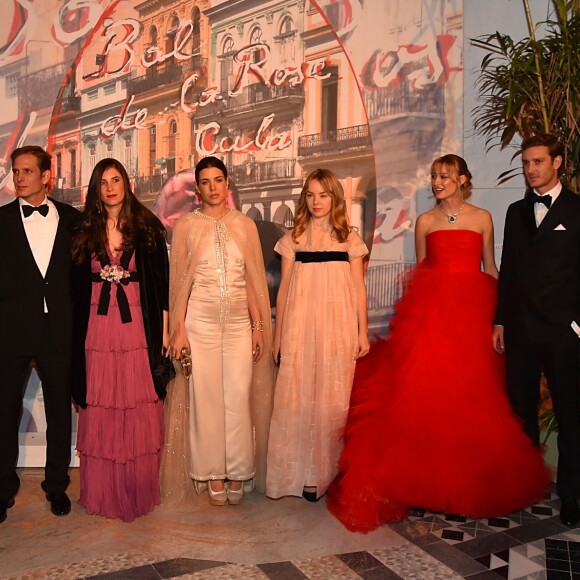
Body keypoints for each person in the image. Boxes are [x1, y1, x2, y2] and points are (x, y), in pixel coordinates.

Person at [327, 154, 551, 532]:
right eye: (433, 176)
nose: (436, 182)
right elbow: (423, 269)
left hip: (474, 312)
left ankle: (471, 482)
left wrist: (500, 317)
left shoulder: (482, 218)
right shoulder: (426, 221)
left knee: (472, 396)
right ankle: (423, 483)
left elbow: (490, 268)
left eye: (444, 176)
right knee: (427, 395)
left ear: (463, 179)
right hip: (431, 315)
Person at [162, 156, 274, 506]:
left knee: (237, 397)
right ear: (198, 189)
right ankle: (211, 472)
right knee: (206, 398)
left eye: (218, 180)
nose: (213, 187)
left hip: (240, 324)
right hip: (200, 324)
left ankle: (238, 471)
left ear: (228, 184)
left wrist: (258, 328)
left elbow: (254, 283)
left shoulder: (245, 226)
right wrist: (178, 331)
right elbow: (178, 285)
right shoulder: (185, 227)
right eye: (206, 182)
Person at [70, 158, 170, 522]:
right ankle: (104, 490)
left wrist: (166, 332)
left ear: (126, 183)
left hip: (135, 329)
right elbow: (74, 290)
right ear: (96, 189)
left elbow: (161, 287)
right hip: (97, 330)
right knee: (102, 402)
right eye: (103, 182)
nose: (111, 187)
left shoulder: (147, 228)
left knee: (135, 402)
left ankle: (136, 488)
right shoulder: (83, 230)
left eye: (116, 179)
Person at [266, 168, 370, 502]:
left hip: (336, 326)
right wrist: (277, 336)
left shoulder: (349, 238)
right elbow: (282, 292)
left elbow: (358, 289)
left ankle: (322, 475)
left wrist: (362, 332)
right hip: (298, 323)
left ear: (335, 197)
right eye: (310, 195)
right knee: (297, 397)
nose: (316, 202)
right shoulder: (294, 237)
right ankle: (296, 475)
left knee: (331, 400)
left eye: (323, 195)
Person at [492, 134, 580, 527]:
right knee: (519, 412)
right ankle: (523, 487)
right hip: (522, 329)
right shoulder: (515, 211)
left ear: (557, 162)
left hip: (563, 331)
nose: (530, 170)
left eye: (538, 162)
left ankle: (573, 495)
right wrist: (500, 320)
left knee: (571, 415)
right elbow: (508, 268)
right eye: (526, 163)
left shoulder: (578, 209)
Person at [0, 146, 78, 524]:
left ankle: (57, 485)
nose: (20, 178)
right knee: (3, 411)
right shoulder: (0, 221)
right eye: (16, 171)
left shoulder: (72, 219)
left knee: (60, 411)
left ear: (47, 175)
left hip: (58, 328)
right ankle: (2, 488)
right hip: (11, 330)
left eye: (27, 171)